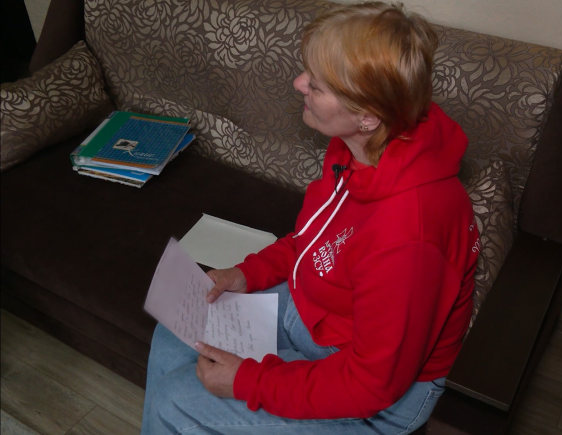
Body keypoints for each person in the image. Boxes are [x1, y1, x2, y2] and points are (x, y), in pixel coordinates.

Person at [141, 2, 480, 433]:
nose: (299, 83)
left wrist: (248, 381)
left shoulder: (410, 235)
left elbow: (371, 384)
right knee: (180, 328)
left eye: (316, 85)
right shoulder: (356, 148)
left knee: (176, 399)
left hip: (375, 395)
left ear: (367, 115)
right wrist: (247, 274)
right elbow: (314, 241)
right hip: (316, 316)